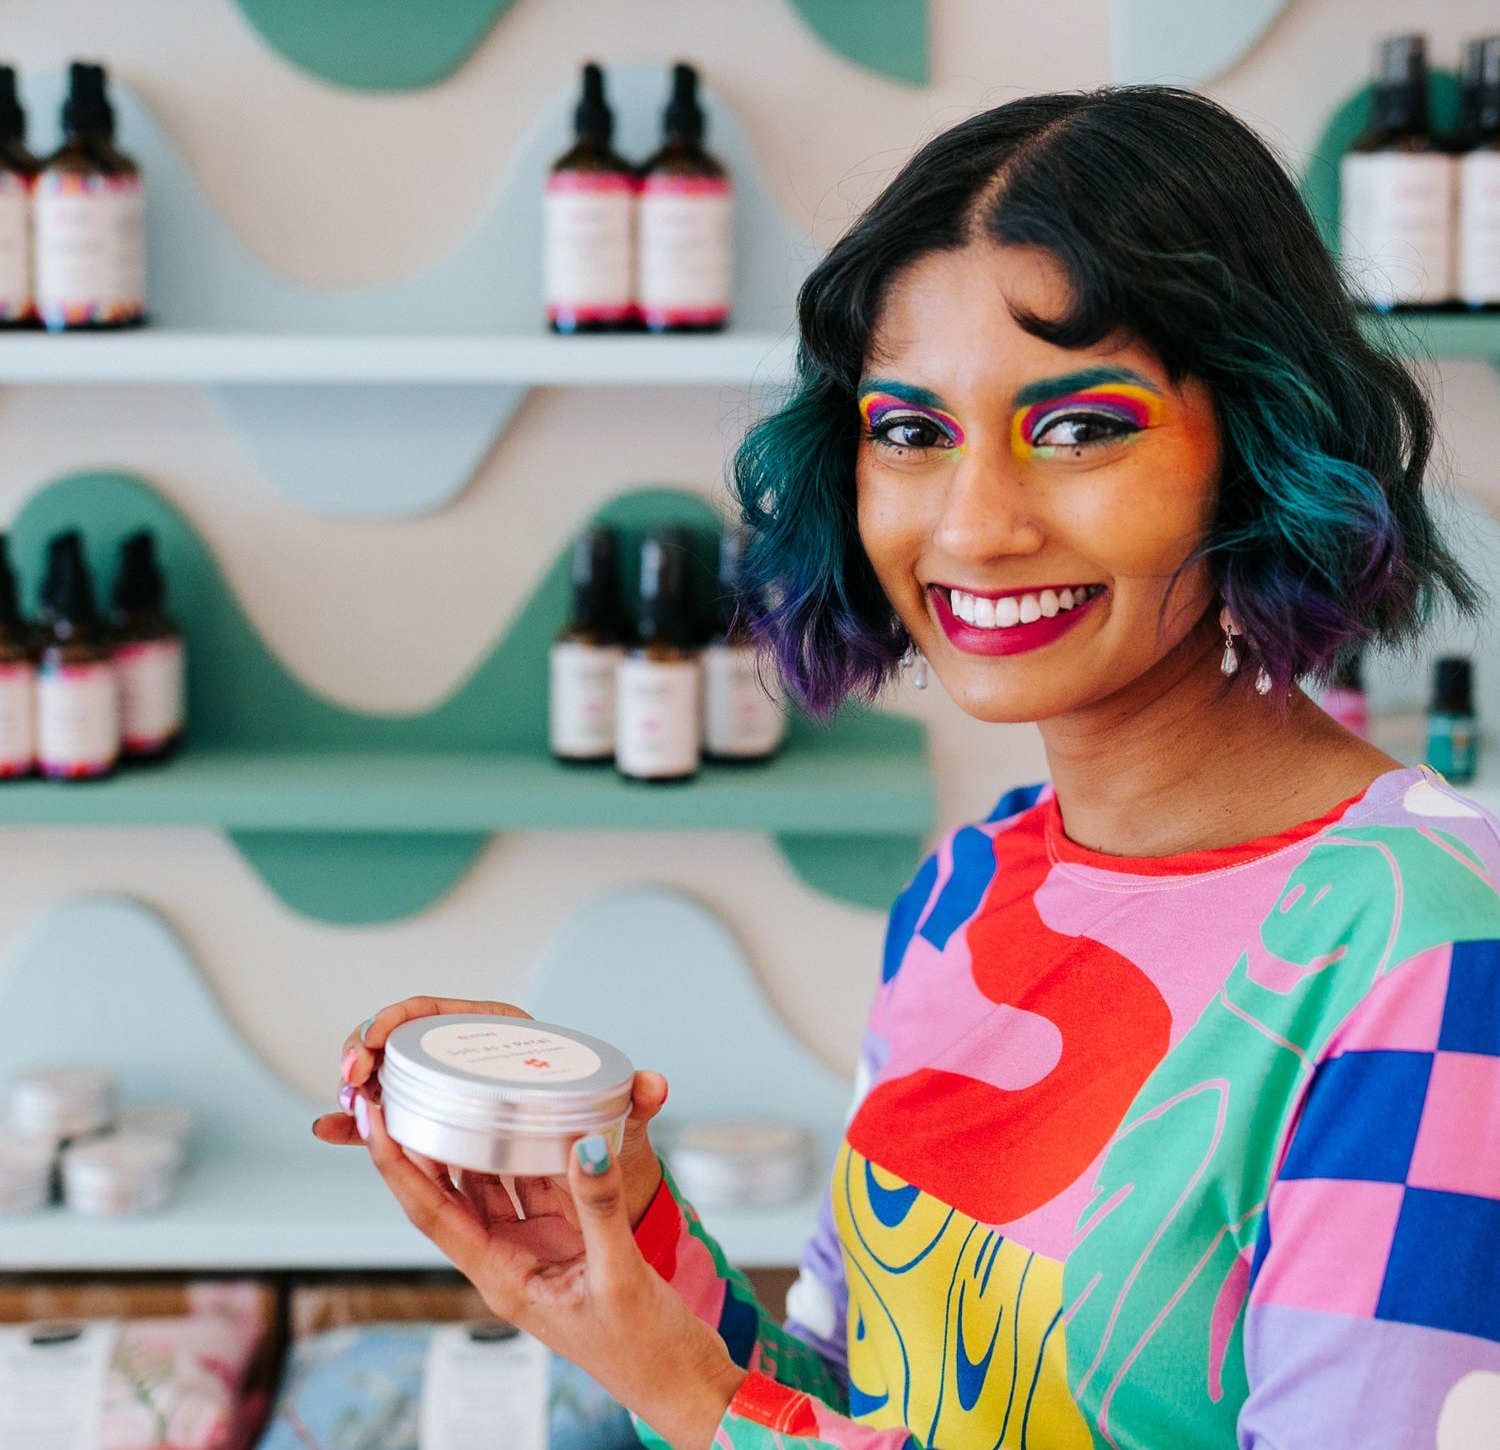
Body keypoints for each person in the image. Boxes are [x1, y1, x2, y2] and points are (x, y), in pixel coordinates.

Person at [315, 87, 1500, 1449]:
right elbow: (859, 1407)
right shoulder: (968, 888)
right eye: (912, 431)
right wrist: (623, 1240)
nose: (975, 526)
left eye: (1077, 428)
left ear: (1260, 448)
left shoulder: (1427, 945)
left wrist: (697, 1414)